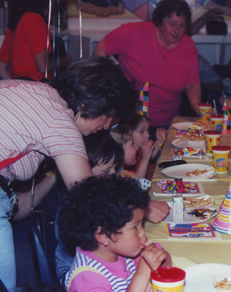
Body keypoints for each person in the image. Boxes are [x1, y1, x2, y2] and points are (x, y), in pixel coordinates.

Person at [0, 56, 138, 292]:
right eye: (107, 114)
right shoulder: (59, 119)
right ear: (88, 104)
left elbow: (15, 207)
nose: (106, 125)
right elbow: (89, 201)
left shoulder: (39, 93)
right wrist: (140, 207)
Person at [94, 0, 201, 140]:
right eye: (172, 24)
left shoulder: (188, 46)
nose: (177, 31)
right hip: (132, 122)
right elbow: (101, 50)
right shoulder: (133, 33)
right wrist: (110, 86)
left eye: (182, 25)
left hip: (168, 123)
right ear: (159, 21)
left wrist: (198, 106)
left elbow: (192, 84)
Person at [58, 175, 171, 291]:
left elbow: (164, 257)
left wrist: (157, 264)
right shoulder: (89, 280)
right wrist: (142, 274)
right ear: (103, 235)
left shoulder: (122, 249)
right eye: (135, 227)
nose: (143, 232)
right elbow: (143, 275)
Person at [55, 132, 124, 285]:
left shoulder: (103, 192)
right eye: (107, 171)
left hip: (100, 258)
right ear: (83, 170)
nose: (113, 175)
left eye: (115, 168)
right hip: (74, 271)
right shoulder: (73, 206)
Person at [0, 0, 71, 81]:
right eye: (49, 1)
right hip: (38, 83)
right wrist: (66, 59)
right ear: (40, 1)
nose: (51, 5)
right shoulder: (34, 19)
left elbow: (2, 69)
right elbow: (43, 67)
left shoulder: (15, 23)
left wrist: (18, 86)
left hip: (22, 85)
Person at [126, 114, 167, 178]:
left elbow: (149, 157)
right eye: (141, 131)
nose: (148, 135)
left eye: (147, 130)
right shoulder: (127, 154)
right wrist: (145, 159)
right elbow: (136, 182)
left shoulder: (138, 148)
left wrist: (159, 142)